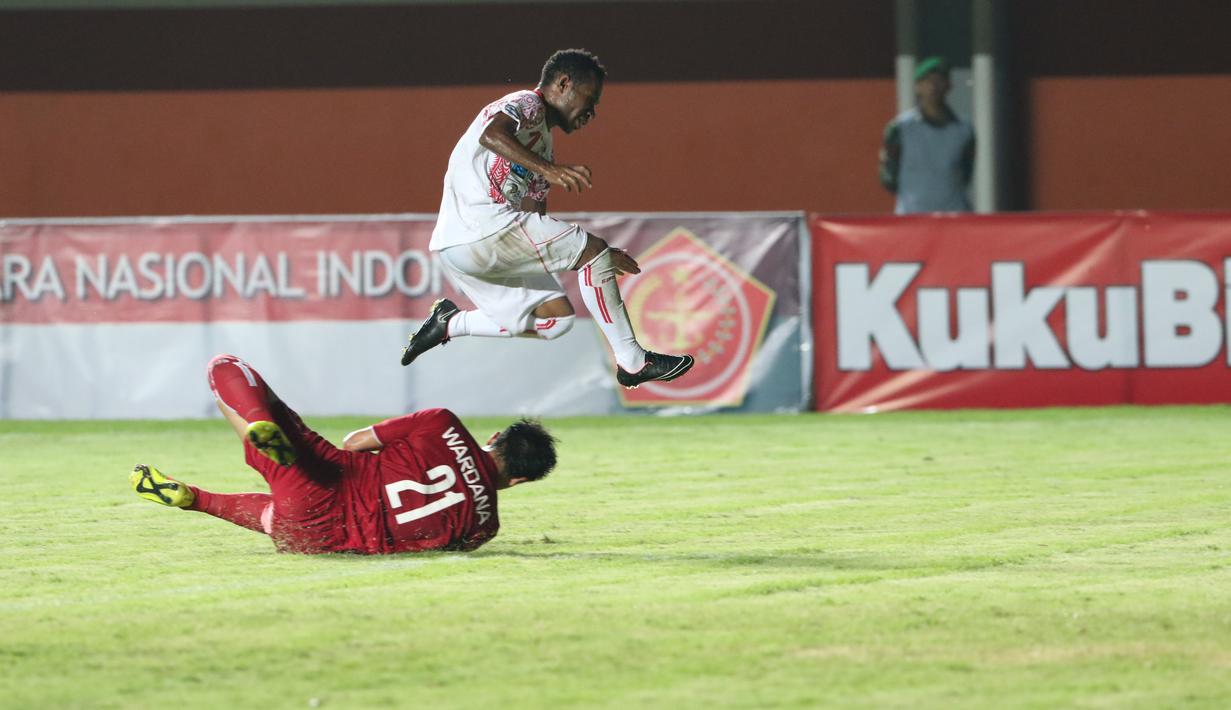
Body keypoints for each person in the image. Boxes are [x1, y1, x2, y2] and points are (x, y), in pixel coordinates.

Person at [401, 48, 693, 389]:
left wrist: (587, 260)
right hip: (482, 228)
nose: (592, 112)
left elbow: (537, 217)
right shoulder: (528, 103)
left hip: (461, 247)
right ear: (564, 83)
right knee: (592, 250)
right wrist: (590, 252)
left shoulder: (542, 145)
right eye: (590, 99)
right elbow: (491, 135)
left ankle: (450, 323)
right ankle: (632, 361)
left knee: (557, 320)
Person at [129, 354, 557, 554]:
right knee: (282, 519)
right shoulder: (485, 529)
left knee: (225, 368)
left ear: (495, 437)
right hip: (326, 539)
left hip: (327, 478)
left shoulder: (443, 423)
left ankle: (260, 424)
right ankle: (197, 499)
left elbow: (354, 442)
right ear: (519, 480)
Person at [878, 57, 976, 214]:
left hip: (953, 217)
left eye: (939, 80)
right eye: (927, 81)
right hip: (912, 217)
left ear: (948, 85)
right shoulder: (901, 128)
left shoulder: (964, 129)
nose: (933, 87)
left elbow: (966, 172)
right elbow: (889, 175)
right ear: (917, 87)